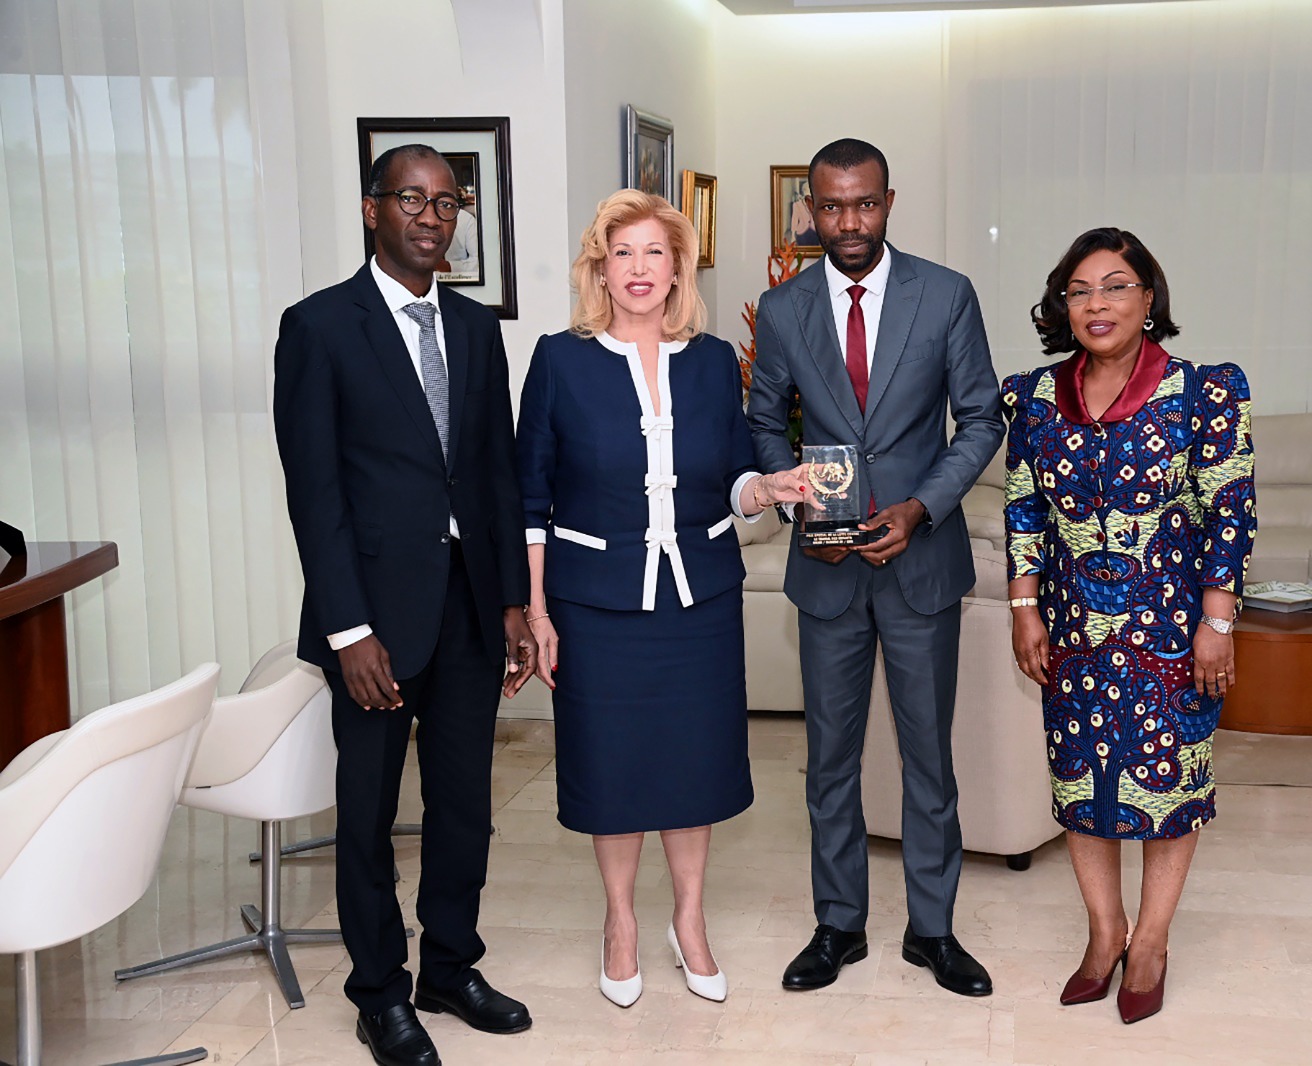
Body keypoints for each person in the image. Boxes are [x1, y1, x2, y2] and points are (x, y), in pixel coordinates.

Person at [274, 144, 537, 1066]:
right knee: (369, 815)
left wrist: (511, 602)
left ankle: (450, 968)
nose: (432, 217)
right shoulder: (319, 327)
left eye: (447, 202)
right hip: (373, 624)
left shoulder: (473, 326)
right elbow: (315, 494)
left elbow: (495, 474)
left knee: (464, 806)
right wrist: (349, 629)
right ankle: (379, 992)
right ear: (371, 209)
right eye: (411, 199)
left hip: (470, 609)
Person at [515, 190, 808, 1009]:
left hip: (698, 600)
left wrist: (765, 489)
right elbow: (529, 499)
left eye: (655, 252)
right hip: (594, 606)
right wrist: (537, 613)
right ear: (600, 269)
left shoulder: (711, 362)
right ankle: (620, 923)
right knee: (611, 768)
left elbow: (735, 476)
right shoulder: (559, 360)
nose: (639, 269)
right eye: (623, 253)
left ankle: (689, 919)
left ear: (678, 268)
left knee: (694, 764)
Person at [746, 139, 1005, 998]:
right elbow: (763, 421)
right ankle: (838, 925)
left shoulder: (946, 294)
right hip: (826, 571)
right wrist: (794, 496)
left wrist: (921, 507)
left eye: (863, 204)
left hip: (920, 562)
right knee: (830, 760)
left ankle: (933, 932)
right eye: (831, 207)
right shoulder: (782, 309)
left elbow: (980, 419)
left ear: (889, 202)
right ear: (811, 212)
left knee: (929, 757)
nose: (849, 222)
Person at [1003, 227, 1256, 1024]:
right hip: (1072, 631)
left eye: (1115, 285)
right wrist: (1023, 607)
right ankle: (1104, 932)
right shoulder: (1035, 399)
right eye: (1079, 290)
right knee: (1082, 781)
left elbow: (1229, 514)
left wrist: (1218, 621)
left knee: (1167, 785)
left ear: (1148, 298)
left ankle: (1150, 942)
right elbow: (1023, 509)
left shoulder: (1202, 393)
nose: (1097, 303)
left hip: (1172, 631)